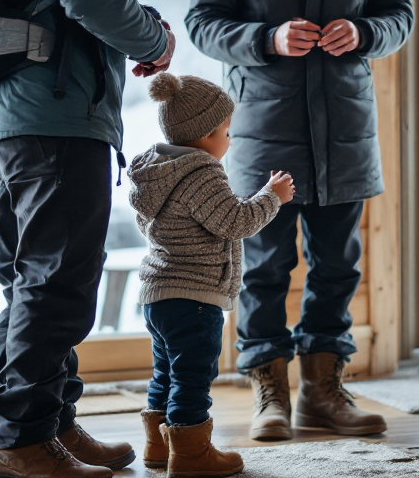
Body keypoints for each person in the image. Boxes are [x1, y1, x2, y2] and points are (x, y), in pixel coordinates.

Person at [0, 0, 219, 478]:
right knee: (57, 282)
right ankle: (22, 441)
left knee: (33, 280)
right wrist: (154, 39)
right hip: (54, 111)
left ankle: (48, 422)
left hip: (25, 108)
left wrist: (135, 28)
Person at [186, 0, 413, 441]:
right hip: (265, 132)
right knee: (264, 269)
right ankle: (270, 396)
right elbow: (201, 22)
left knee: (337, 269)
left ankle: (323, 393)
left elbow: (399, 15)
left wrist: (364, 32)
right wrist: (266, 38)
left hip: (344, 131)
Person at [127, 73, 296, 478]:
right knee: (193, 376)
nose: (229, 140)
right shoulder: (201, 172)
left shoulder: (156, 170)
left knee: (166, 372)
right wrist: (272, 197)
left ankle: (158, 446)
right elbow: (235, 221)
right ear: (205, 135)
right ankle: (191, 455)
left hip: (158, 294)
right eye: (226, 131)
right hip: (195, 298)